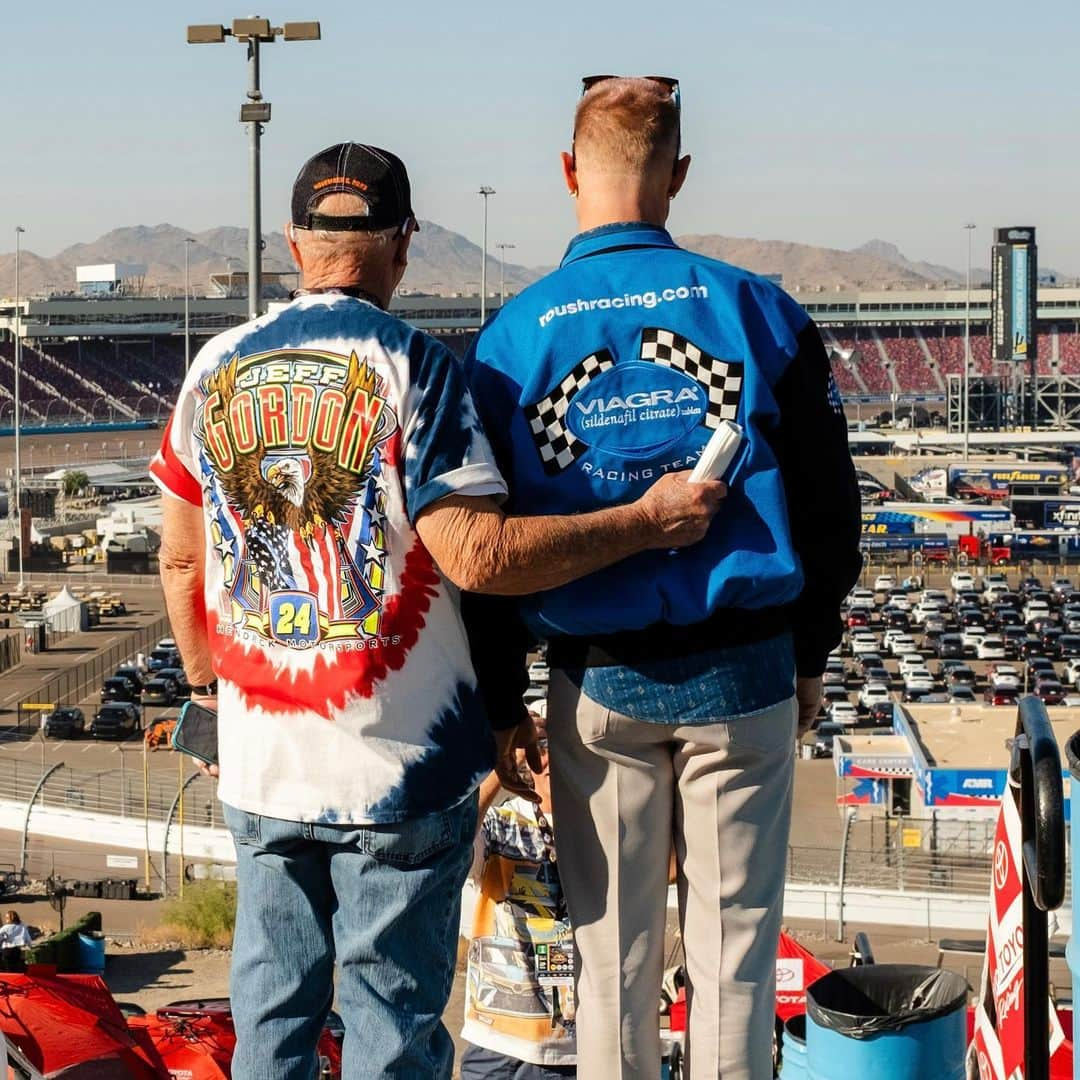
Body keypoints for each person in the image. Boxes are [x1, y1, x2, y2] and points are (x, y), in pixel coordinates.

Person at [152, 142, 725, 1080]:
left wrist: (207, 688)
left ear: (294, 242)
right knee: (391, 1034)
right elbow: (480, 557)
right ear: (403, 244)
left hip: (263, 765)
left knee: (270, 1019)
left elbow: (180, 558)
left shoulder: (213, 365)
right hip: (400, 770)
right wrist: (643, 520)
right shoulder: (415, 366)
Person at [463, 79, 862, 1079]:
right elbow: (830, 510)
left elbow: (485, 547)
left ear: (567, 173)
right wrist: (809, 653)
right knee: (733, 961)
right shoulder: (758, 310)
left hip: (597, 682)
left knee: (613, 964)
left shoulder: (514, 339)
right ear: (678, 176)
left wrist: (503, 697)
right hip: (746, 672)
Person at [460, 714, 576, 1079]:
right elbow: (454, 839)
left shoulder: (604, 827)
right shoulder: (499, 822)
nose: (551, 758)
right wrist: (501, 762)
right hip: (497, 1043)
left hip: (575, 1050)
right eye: (542, 746)